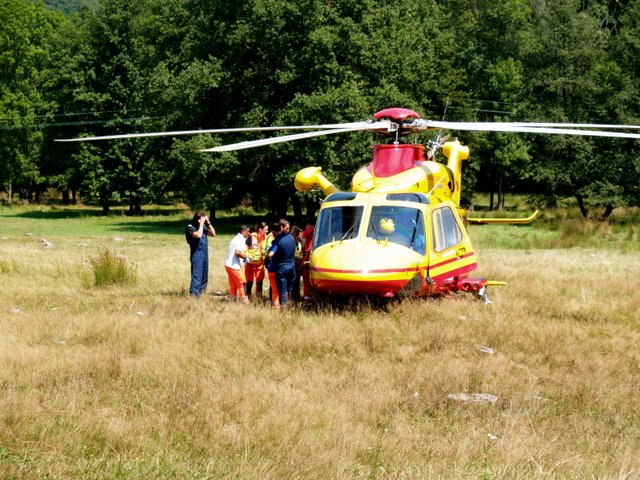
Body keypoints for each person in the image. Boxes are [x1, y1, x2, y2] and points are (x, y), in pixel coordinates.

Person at [185, 212, 216, 298]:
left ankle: (202, 291)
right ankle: (194, 294)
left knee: (204, 274)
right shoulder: (190, 227)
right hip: (196, 253)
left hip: (204, 253)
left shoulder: (203, 227)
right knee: (197, 274)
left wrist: (208, 222)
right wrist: (202, 224)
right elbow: (198, 235)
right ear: (197, 219)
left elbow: (213, 234)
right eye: (201, 219)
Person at [267, 218, 296, 308]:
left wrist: (269, 254)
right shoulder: (291, 237)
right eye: (287, 228)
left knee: (282, 291)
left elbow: (271, 253)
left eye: (288, 228)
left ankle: (284, 308)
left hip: (282, 268)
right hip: (292, 268)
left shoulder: (278, 240)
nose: (288, 230)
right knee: (288, 289)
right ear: (282, 227)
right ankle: (288, 303)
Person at [225, 225, 250, 303]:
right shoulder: (240, 239)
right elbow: (237, 252)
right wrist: (245, 257)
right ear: (243, 231)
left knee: (233, 285)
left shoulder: (236, 238)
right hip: (234, 266)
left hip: (228, 265)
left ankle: (232, 300)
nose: (249, 233)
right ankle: (245, 300)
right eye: (247, 231)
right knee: (243, 283)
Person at [244, 223, 268, 300]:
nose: (266, 232)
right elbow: (245, 246)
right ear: (260, 230)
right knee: (249, 281)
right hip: (250, 263)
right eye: (265, 230)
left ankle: (259, 298)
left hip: (260, 263)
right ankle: (248, 297)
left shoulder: (265, 237)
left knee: (259, 282)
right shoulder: (252, 236)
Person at [300, 217, 315, 300]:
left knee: (306, 277)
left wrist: (302, 250)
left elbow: (303, 243)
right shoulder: (317, 229)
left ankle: (307, 297)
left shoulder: (308, 230)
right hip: (315, 254)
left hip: (307, 255)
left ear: (307, 224)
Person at [290, 225, 303, 302]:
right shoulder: (291, 242)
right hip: (292, 264)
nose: (301, 236)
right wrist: (296, 258)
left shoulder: (299, 242)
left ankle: (296, 297)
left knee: (297, 283)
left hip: (298, 265)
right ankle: (292, 298)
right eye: (299, 234)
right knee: (292, 282)